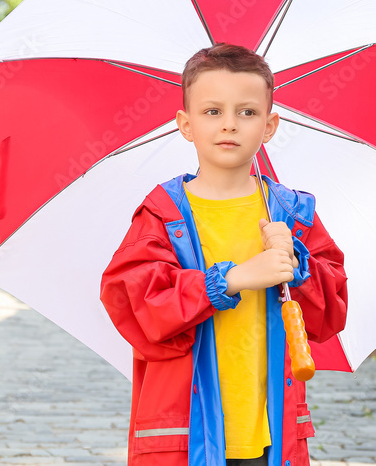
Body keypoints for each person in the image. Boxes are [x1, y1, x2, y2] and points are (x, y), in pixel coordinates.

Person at [100, 42, 348, 466]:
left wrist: (299, 265)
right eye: (212, 111)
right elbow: (133, 300)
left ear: (269, 126)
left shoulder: (292, 214)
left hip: (271, 433)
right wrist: (228, 282)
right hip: (186, 434)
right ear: (186, 123)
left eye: (247, 112)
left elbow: (331, 313)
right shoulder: (163, 214)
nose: (229, 125)